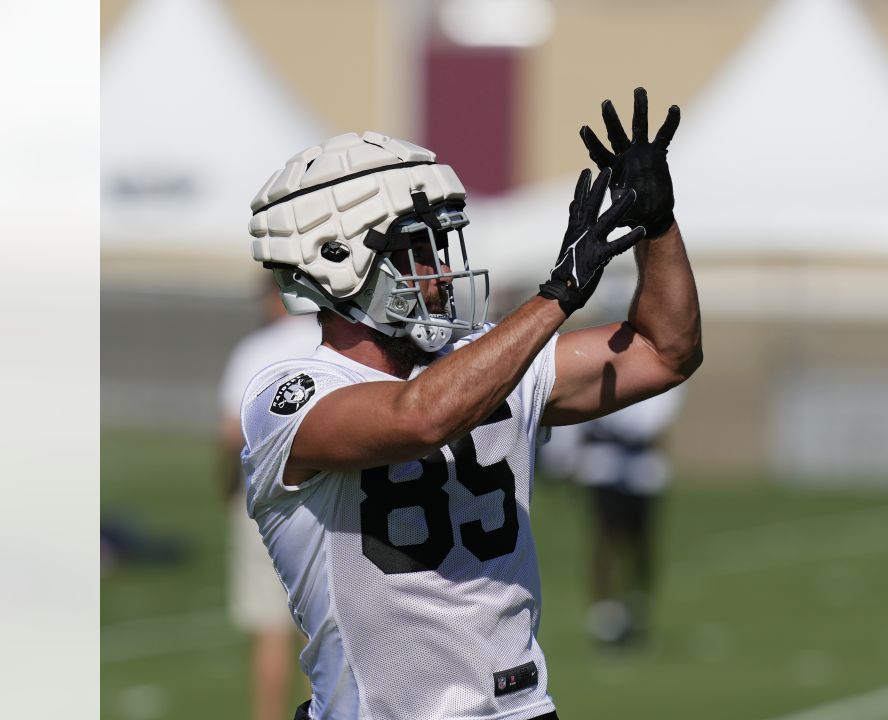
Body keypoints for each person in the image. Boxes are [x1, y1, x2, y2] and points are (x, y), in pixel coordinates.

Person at [239, 87, 700, 720]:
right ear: (335, 260)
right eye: (416, 248)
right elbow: (419, 417)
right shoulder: (290, 395)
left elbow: (663, 349)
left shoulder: (484, 357)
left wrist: (658, 227)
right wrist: (557, 295)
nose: (438, 269)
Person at [217, 275, 320, 720]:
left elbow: (228, 433)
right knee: (319, 634)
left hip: (263, 498)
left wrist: (225, 486)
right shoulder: (330, 343)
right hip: (325, 499)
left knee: (270, 630)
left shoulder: (256, 350)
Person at [549, 386, 687, 648]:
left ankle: (637, 606)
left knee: (642, 541)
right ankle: (605, 616)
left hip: (641, 461)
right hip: (603, 459)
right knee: (605, 535)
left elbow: (660, 413)